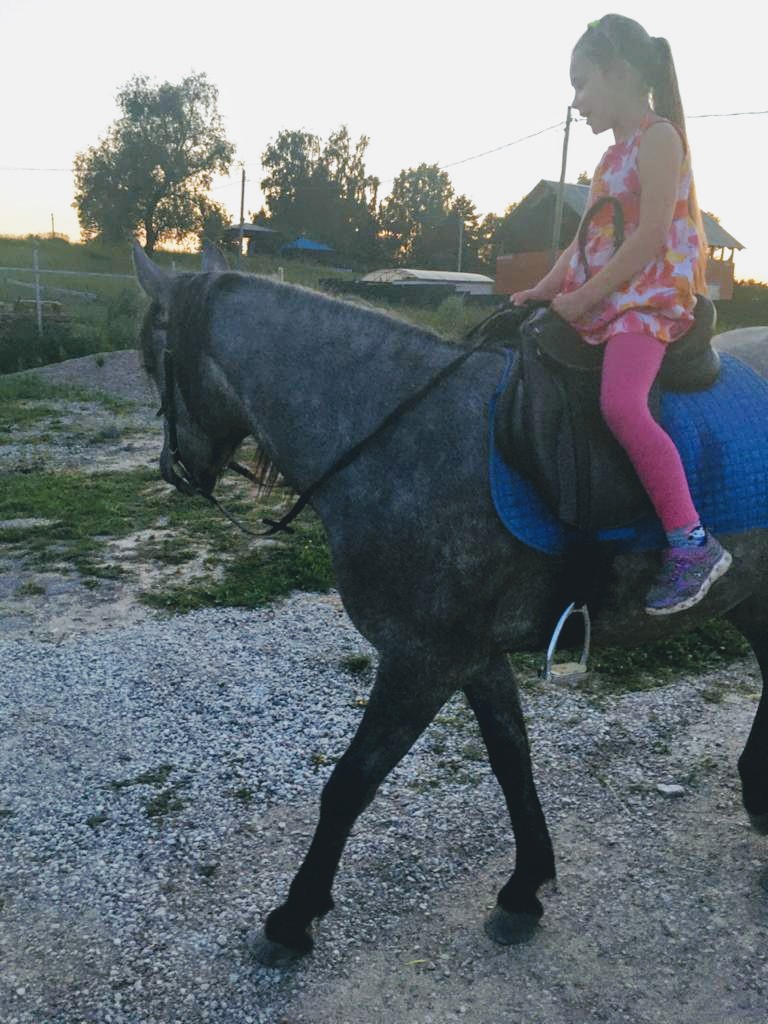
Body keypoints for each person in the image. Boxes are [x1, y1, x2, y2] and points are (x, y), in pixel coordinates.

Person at [511, 13, 731, 616]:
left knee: (621, 404)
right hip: (615, 294)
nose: (576, 100)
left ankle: (692, 542)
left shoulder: (660, 139)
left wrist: (583, 298)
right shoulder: (610, 158)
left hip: (650, 296)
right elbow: (585, 239)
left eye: (581, 83)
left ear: (621, 74)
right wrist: (542, 290)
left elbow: (650, 235)